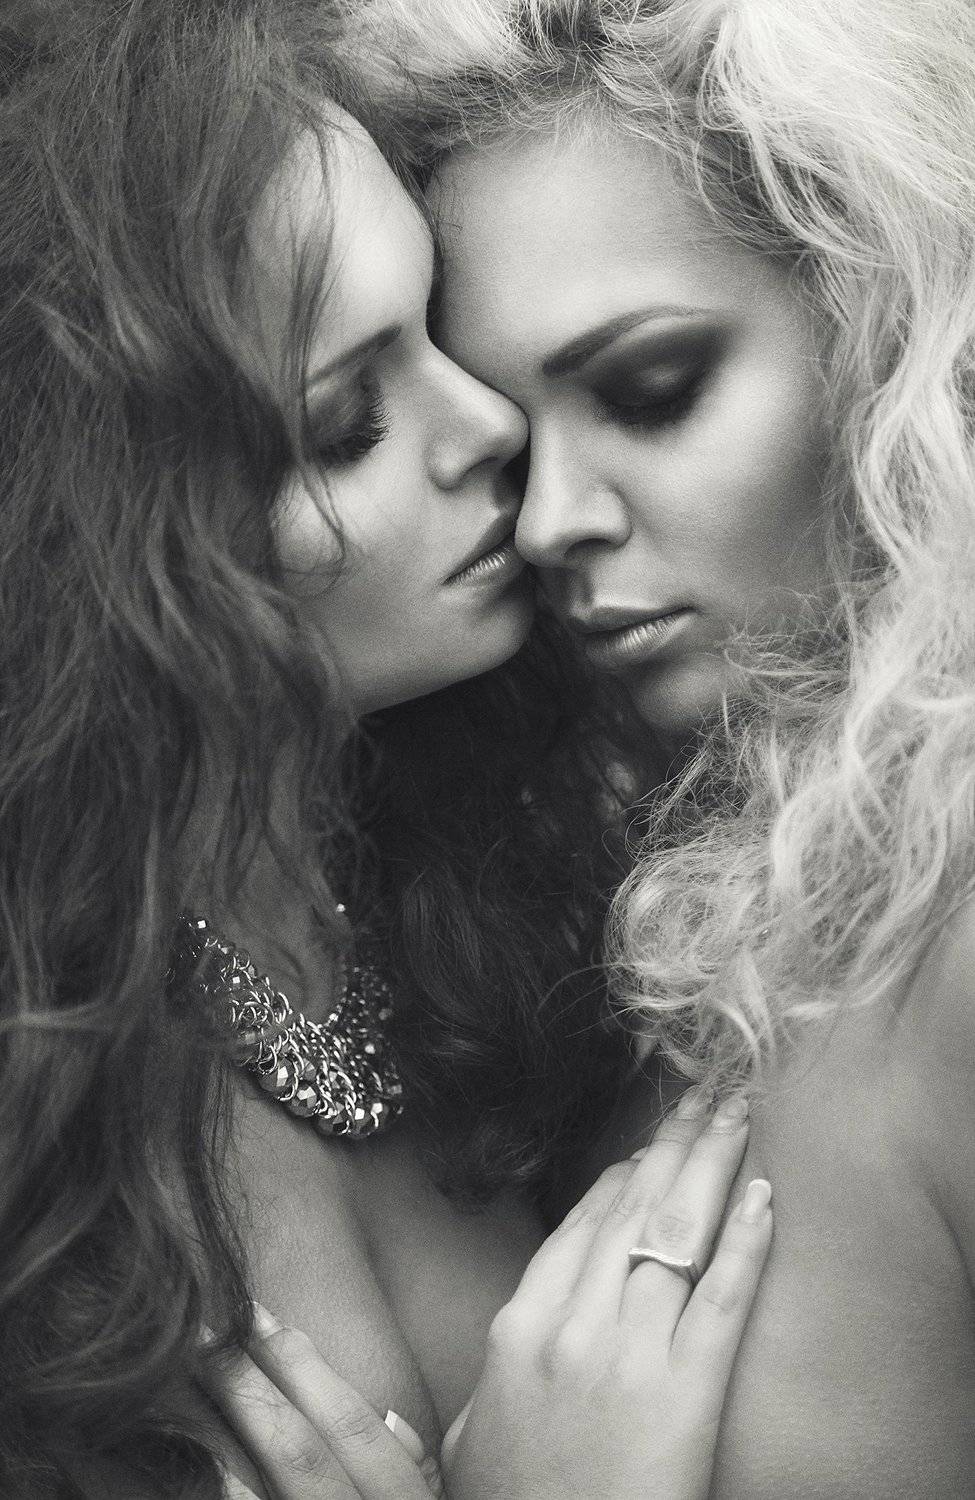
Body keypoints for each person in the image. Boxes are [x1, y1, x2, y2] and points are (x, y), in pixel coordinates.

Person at [0, 2, 772, 1497]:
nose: (491, 426)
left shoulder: (540, 889)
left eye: (438, 330)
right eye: (349, 422)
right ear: (105, 554)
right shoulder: (49, 1106)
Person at [341, 0, 975, 1493]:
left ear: (899, 333)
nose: (549, 521)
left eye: (651, 391)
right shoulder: (655, 906)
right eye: (511, 440)